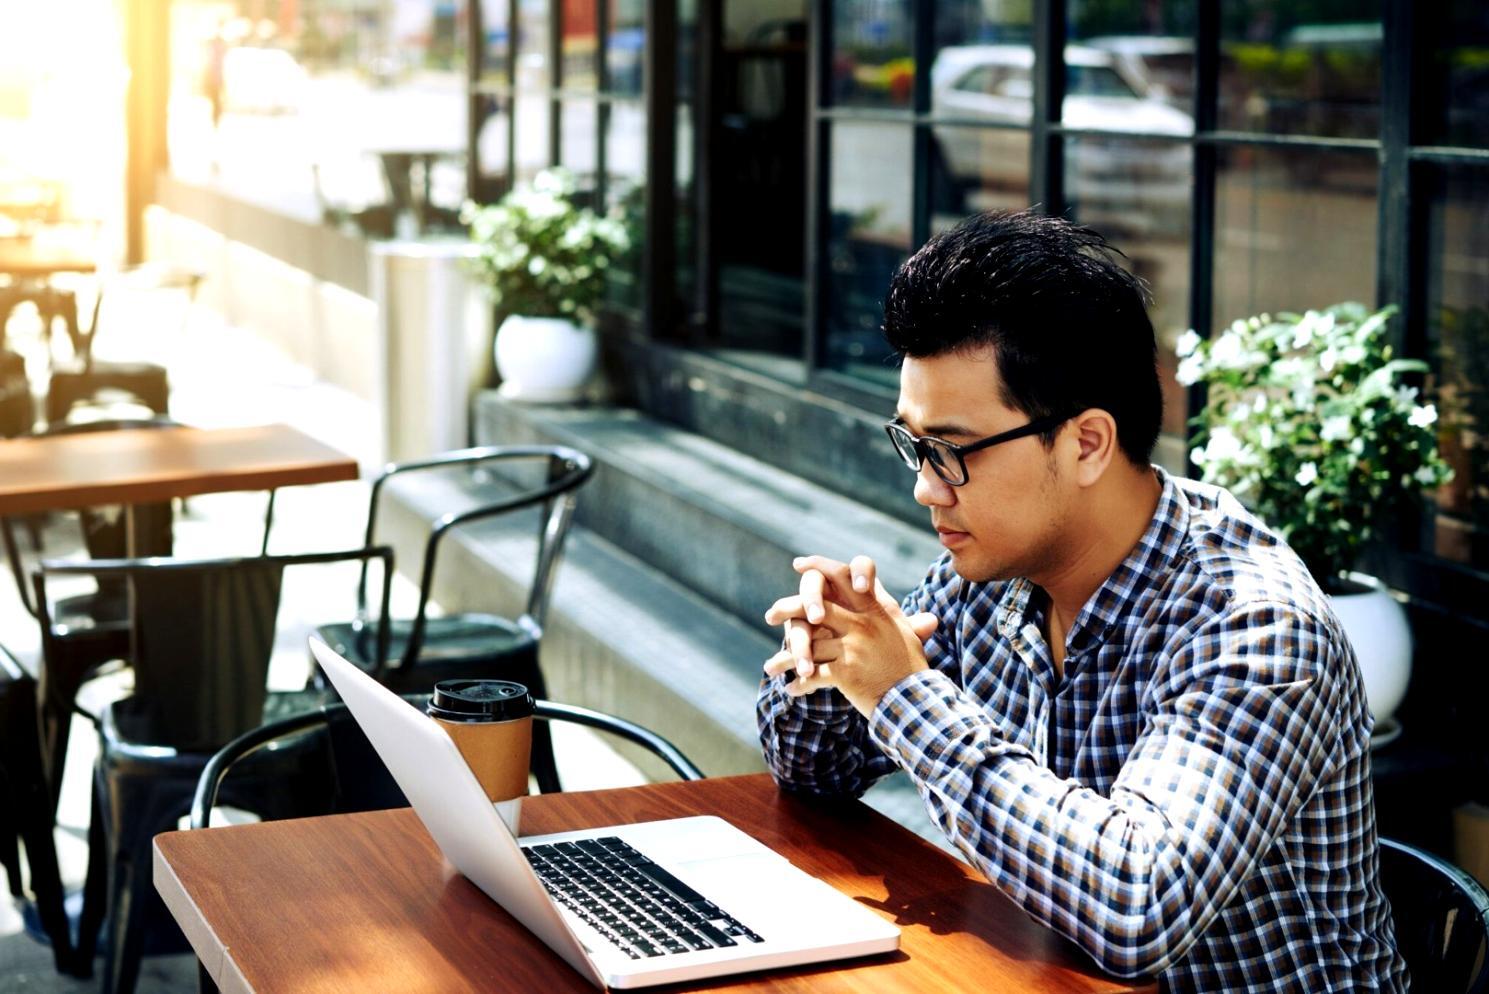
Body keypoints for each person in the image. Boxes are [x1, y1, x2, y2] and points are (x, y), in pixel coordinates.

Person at [756, 210, 1407, 993]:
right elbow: (811, 771)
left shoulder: (1252, 623)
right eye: (914, 444)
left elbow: (1137, 906)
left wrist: (902, 694)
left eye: (952, 452)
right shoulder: (992, 571)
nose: (925, 486)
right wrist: (832, 660)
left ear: (1087, 443)